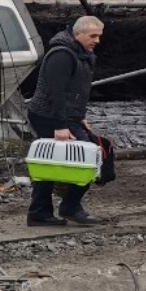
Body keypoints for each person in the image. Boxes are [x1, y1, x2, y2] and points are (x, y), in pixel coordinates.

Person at [25, 15, 104, 226]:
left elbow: (77, 90)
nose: (97, 40)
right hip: (48, 115)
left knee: (91, 157)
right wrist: (60, 126)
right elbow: (56, 93)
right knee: (77, 159)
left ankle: (57, 209)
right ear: (77, 34)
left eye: (99, 36)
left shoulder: (83, 54)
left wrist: (81, 116)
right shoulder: (62, 55)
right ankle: (51, 210)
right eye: (92, 36)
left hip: (67, 116)